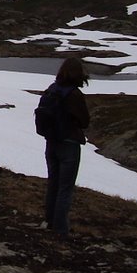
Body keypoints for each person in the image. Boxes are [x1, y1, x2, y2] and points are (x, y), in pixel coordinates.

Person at [43, 56, 90, 239]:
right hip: (69, 144)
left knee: (53, 184)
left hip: (51, 143)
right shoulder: (74, 94)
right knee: (65, 188)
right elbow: (84, 121)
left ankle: (50, 221)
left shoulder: (52, 90)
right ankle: (61, 230)